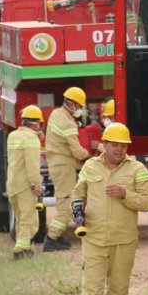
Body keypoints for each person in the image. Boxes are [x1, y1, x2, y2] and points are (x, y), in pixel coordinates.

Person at [71, 122, 148, 295]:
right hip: (94, 240)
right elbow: (77, 194)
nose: (119, 149)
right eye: (115, 144)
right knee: (92, 291)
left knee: (118, 292)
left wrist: (125, 194)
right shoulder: (90, 167)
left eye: (123, 145)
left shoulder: (137, 169)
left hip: (124, 241)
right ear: (105, 145)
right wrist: (77, 210)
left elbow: (147, 202)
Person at [44, 86, 92, 251]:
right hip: (64, 166)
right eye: (78, 106)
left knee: (62, 201)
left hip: (57, 163)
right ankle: (52, 238)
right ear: (71, 104)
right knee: (66, 204)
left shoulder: (56, 114)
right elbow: (77, 151)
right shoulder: (68, 123)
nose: (79, 110)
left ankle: (59, 236)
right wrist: (90, 157)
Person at [6, 105, 44, 259]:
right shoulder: (31, 139)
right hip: (25, 185)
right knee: (29, 218)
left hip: (13, 184)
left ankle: (25, 247)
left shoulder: (13, 136)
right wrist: (36, 184)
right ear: (36, 124)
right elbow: (32, 164)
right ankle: (20, 251)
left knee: (21, 217)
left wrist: (36, 137)